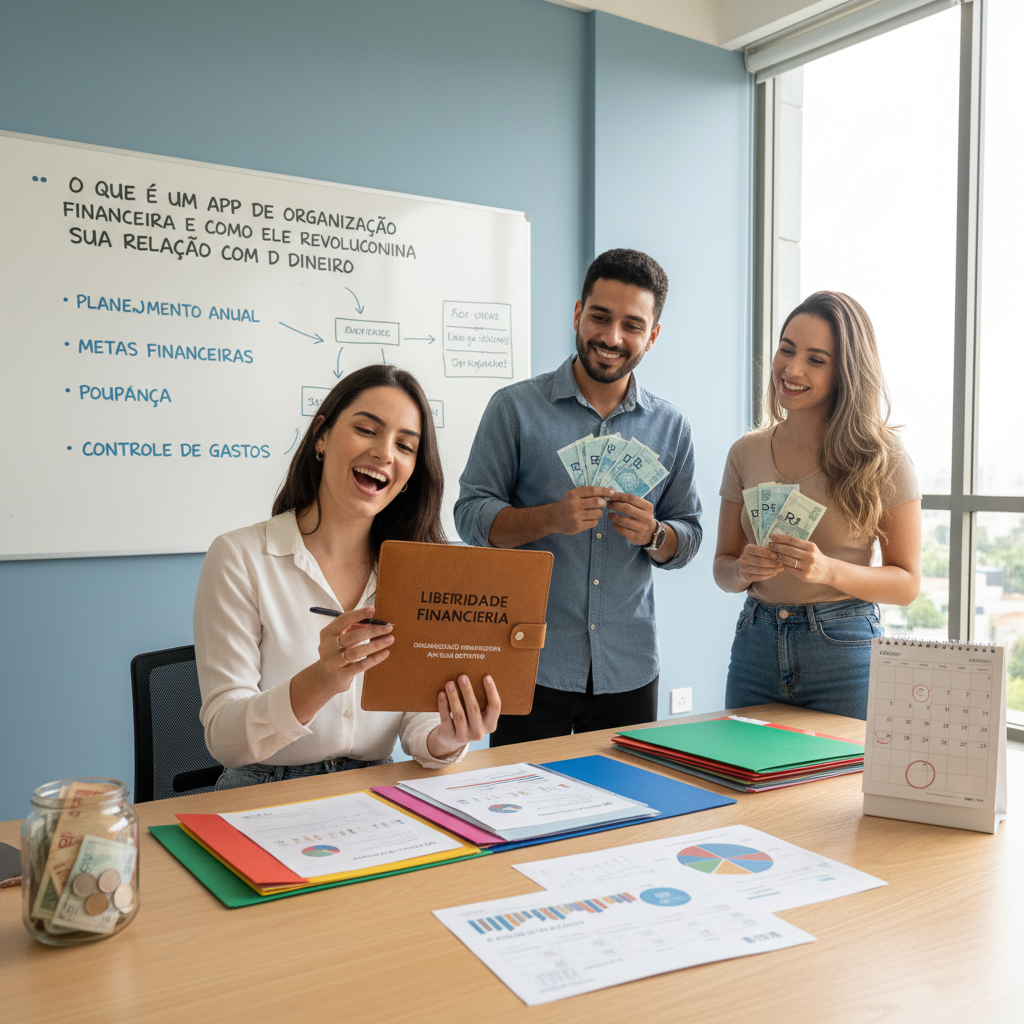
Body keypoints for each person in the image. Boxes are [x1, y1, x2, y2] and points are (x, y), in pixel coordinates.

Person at [194, 364, 501, 789]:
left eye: (405, 446)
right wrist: (322, 679)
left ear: (412, 475)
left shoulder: (418, 571)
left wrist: (448, 735)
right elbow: (224, 740)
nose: (385, 453)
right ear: (322, 436)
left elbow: (418, 721)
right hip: (261, 790)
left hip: (373, 789)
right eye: (367, 430)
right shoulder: (239, 557)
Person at [455, 248, 702, 744]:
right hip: (531, 661)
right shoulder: (514, 409)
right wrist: (550, 518)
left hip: (628, 666)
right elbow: (470, 515)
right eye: (600, 317)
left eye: (632, 325)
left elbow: (688, 535)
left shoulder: (671, 426)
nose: (612, 338)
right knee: (518, 807)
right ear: (577, 313)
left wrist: (655, 534)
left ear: (652, 336)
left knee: (627, 813)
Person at [714, 291, 922, 720]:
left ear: (845, 371)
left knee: (845, 788)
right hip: (756, 643)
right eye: (786, 350)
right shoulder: (744, 452)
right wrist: (742, 570)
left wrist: (827, 570)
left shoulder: (884, 456)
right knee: (745, 780)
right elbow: (723, 568)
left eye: (816, 359)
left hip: (844, 649)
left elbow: (907, 583)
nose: (791, 369)